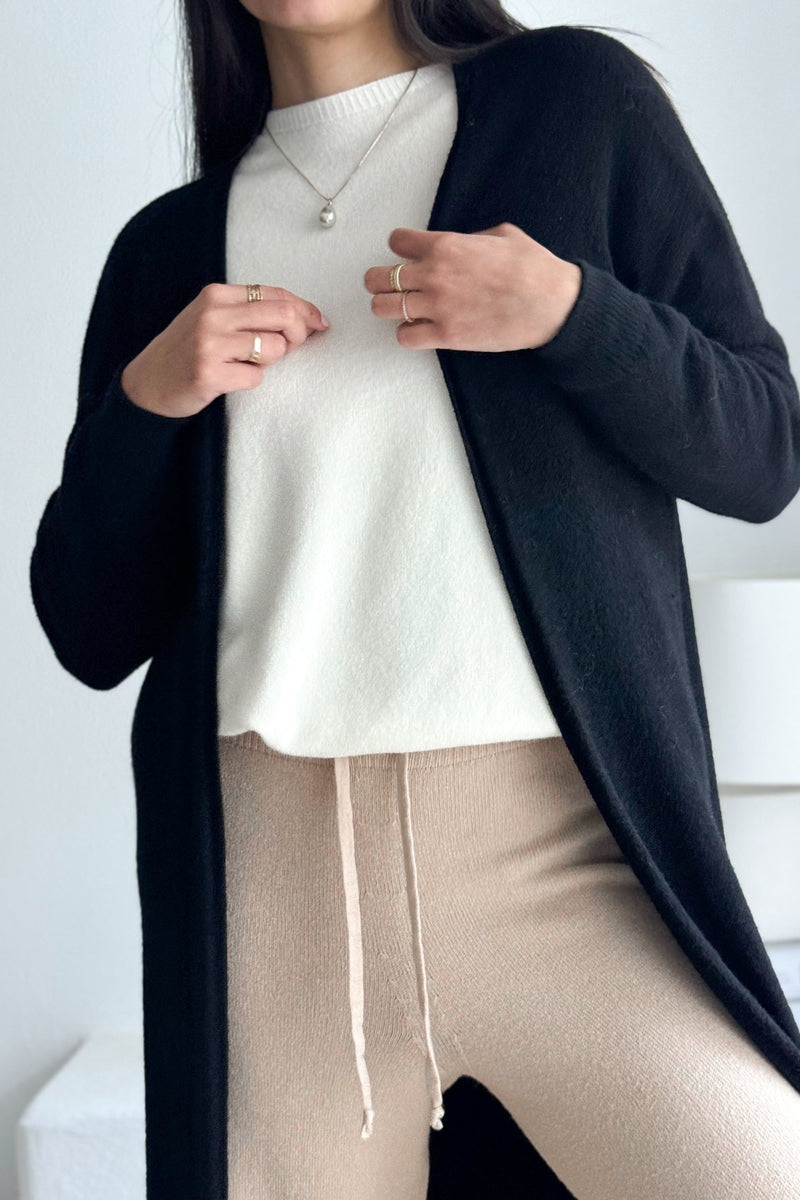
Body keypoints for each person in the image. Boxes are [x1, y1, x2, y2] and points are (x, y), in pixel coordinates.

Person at [30, 2, 800, 1198]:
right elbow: (86, 627)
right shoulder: (166, 250)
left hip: (560, 861)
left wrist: (571, 313)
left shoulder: (572, 104)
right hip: (274, 894)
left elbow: (761, 454)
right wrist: (145, 406)